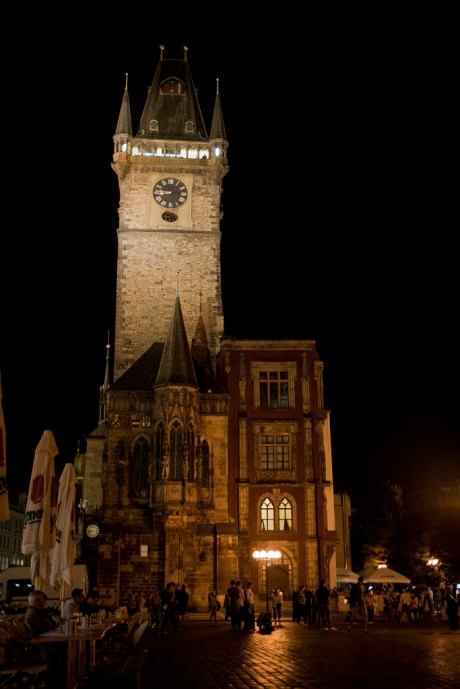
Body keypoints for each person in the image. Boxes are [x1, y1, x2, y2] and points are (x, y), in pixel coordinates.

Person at [24, 590, 65, 689]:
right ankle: (59, 682)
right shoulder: (34, 612)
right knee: (66, 649)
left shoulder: (37, 611)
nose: (45, 602)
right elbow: (48, 627)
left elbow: (52, 625)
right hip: (44, 646)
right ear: (38, 599)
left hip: (47, 643)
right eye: (43, 599)